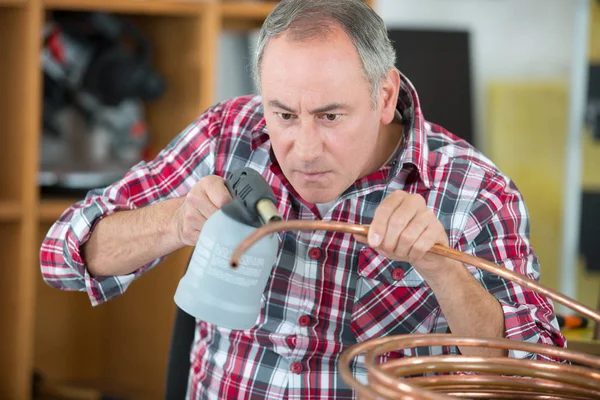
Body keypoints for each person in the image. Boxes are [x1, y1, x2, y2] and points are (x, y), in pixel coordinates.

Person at [40, 0, 566, 398]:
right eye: (285, 115)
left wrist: (441, 267)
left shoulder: (473, 192)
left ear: (384, 97)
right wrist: (173, 223)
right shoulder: (229, 136)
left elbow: (529, 375)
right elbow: (61, 257)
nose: (305, 151)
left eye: (331, 116)